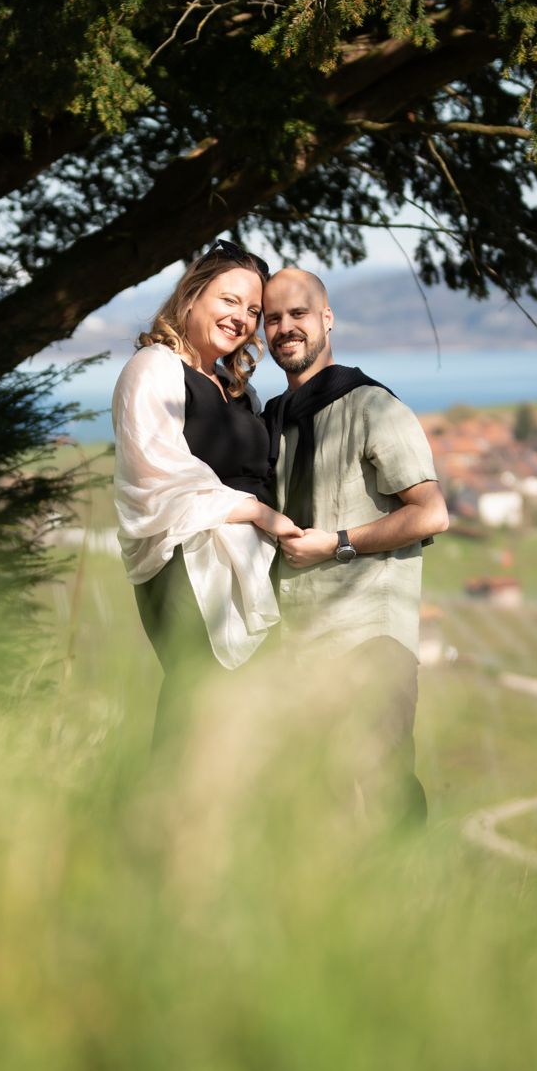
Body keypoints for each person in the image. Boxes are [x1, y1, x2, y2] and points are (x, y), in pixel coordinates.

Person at [261, 266, 449, 816]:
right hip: (297, 647)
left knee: (385, 792)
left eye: (298, 314)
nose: (285, 328)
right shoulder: (272, 420)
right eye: (272, 319)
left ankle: (416, 901)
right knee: (316, 809)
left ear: (326, 319)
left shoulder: (373, 407)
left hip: (369, 638)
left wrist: (337, 543)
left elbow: (431, 513)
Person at [112, 242, 301, 741]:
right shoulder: (154, 368)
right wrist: (259, 514)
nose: (243, 318)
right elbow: (156, 470)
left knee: (248, 724)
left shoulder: (235, 389)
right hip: (189, 569)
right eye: (229, 300)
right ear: (192, 297)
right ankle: (167, 817)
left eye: (254, 310)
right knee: (199, 706)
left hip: (255, 566)